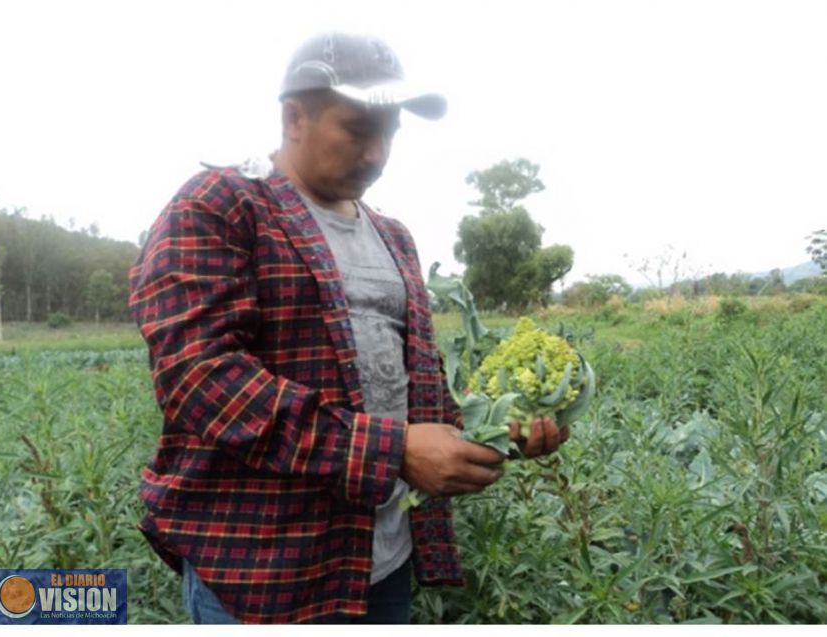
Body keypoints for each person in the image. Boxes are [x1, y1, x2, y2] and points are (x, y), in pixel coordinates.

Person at [128, 31, 568, 624]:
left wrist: (499, 431)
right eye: (358, 129)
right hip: (265, 572)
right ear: (293, 117)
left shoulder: (394, 237)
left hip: (381, 561)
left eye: (390, 132)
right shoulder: (221, 205)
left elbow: (416, 388)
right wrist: (394, 451)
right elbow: (202, 379)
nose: (377, 153)